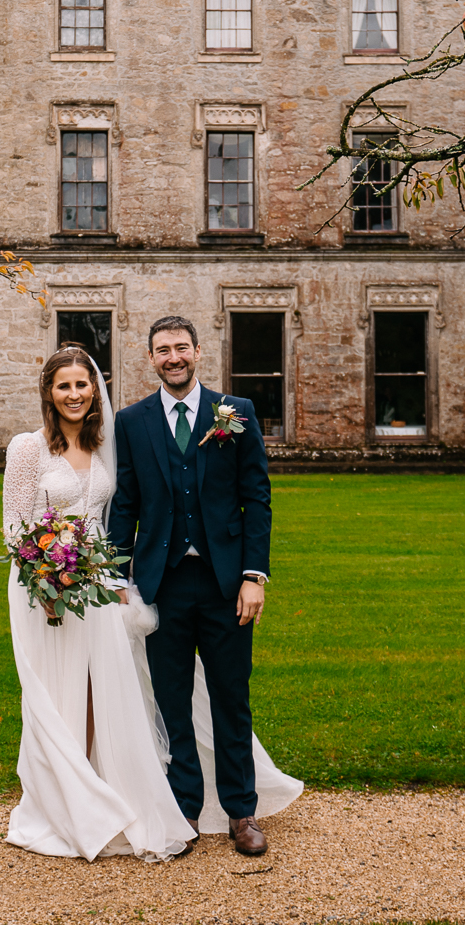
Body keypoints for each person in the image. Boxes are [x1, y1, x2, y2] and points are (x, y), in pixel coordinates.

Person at [107, 316, 302, 858]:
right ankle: (184, 810)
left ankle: (242, 811)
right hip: (162, 585)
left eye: (181, 347)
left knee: (230, 698)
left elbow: (256, 497)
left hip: (225, 584)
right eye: (163, 349)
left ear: (198, 352)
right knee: (173, 704)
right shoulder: (132, 421)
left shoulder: (234, 413)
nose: (173, 357)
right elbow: (125, 504)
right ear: (150, 358)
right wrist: (119, 578)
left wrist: (253, 575)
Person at [1, 345, 196, 861]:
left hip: (99, 584)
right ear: (48, 392)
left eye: (81, 385)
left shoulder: (105, 444)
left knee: (103, 687)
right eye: (63, 386)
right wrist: (49, 582)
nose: (74, 394)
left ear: (94, 390)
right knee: (58, 691)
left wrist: (116, 574)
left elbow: (118, 515)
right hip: (43, 586)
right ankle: (63, 803)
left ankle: (101, 788)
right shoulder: (26, 449)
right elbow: (15, 526)